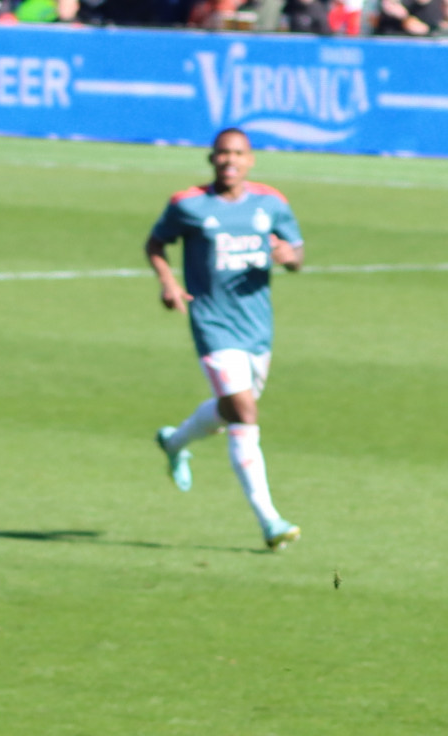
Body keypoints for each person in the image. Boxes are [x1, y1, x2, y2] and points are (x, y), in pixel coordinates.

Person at [147, 131, 306, 554]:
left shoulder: (270, 202)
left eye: (237, 154)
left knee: (230, 409)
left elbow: (297, 253)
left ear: (250, 160)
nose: (229, 160)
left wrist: (290, 259)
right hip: (212, 323)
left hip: (257, 328)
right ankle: (269, 519)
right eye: (222, 153)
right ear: (211, 158)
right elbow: (156, 243)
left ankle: (175, 441)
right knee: (244, 411)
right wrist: (168, 283)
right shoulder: (188, 204)